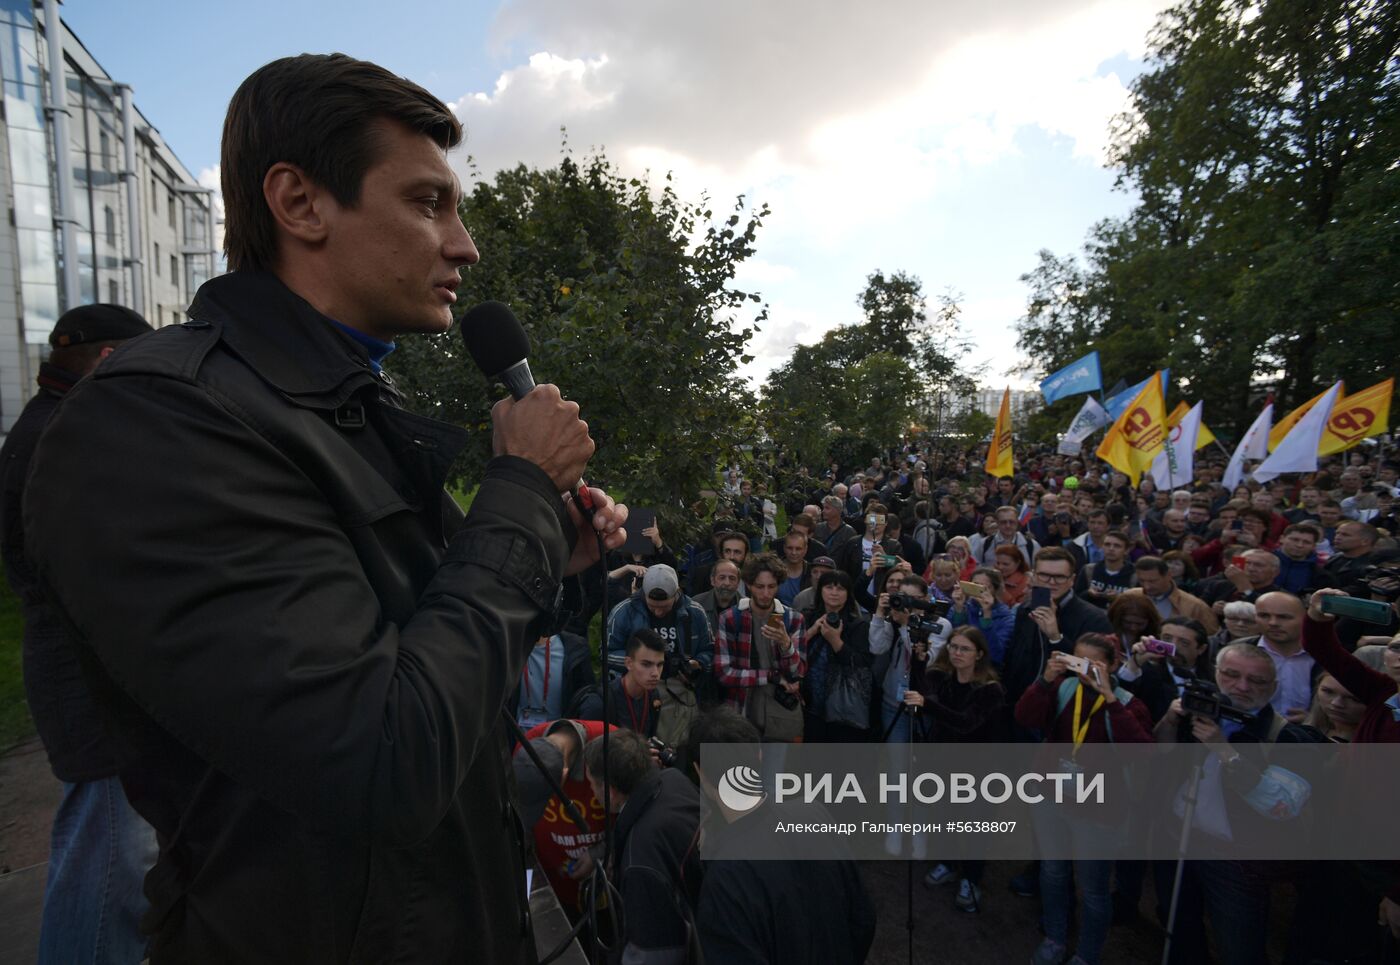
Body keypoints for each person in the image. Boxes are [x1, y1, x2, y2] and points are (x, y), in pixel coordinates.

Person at [22, 54, 627, 963]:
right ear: (299, 203)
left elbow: (420, 645)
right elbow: (383, 755)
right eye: (428, 204)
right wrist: (520, 494)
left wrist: (545, 545)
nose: (464, 245)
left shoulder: (341, 404)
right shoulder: (158, 421)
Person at [0, 303, 156, 964]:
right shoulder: (60, 435)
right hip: (88, 682)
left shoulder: (45, 426)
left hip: (83, 673)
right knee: (108, 865)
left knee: (111, 852)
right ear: (108, 360)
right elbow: (95, 567)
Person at [1152, 643, 1324, 965]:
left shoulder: (1288, 738)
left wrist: (1223, 749)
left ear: (1274, 687)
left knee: (1238, 945)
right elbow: (1160, 755)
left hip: (1234, 860)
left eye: (1256, 681)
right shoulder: (1197, 713)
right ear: (1216, 675)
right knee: (1178, 929)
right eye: (1231, 675)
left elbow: (1280, 805)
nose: (1242, 687)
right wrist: (1171, 720)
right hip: (1177, 841)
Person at [687, 709, 876, 964]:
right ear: (760, 756)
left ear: (700, 772)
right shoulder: (814, 813)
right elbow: (863, 916)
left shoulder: (724, 876)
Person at [1017, 633, 1154, 965]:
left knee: (1093, 889)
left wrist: (1108, 697)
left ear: (1114, 665)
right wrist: (1045, 681)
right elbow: (1025, 717)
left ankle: (1087, 954)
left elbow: (1139, 751)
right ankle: (1055, 937)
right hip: (1052, 797)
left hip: (1097, 809)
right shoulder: (1065, 689)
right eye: (1077, 661)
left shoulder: (1128, 703)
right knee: (1053, 873)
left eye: (1094, 664)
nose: (1084, 671)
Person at [905, 625, 1006, 912]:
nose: (957, 653)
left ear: (980, 654)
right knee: (945, 816)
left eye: (964, 649)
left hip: (979, 771)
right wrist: (919, 662)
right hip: (941, 765)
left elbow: (965, 722)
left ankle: (971, 880)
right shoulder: (942, 676)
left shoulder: (990, 690)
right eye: (953, 647)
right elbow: (922, 692)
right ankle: (948, 863)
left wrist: (928, 704)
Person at [583, 730, 701, 965]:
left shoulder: (640, 860)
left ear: (610, 791)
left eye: (592, 784)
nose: (591, 793)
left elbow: (653, 954)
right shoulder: (673, 779)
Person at [511, 717, 611, 917]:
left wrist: (599, 852)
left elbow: (633, 814)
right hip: (555, 888)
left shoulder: (608, 742)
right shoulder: (525, 746)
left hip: (604, 888)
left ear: (564, 773)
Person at [1002, 547, 1114, 718]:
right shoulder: (1025, 608)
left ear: (1072, 580)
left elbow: (1091, 671)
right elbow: (1015, 656)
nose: (1051, 582)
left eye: (1060, 577)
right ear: (1033, 577)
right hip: (1021, 703)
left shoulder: (1094, 618)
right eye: (1044, 575)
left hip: (1064, 710)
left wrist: (1056, 637)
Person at [714, 553, 806, 741]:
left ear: (778, 585)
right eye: (759, 586)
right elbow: (724, 673)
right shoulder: (731, 618)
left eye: (771, 587)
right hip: (741, 709)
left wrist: (786, 644)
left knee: (773, 769)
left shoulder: (793, 619)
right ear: (748, 585)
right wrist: (769, 676)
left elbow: (798, 673)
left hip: (779, 712)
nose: (765, 593)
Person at [605, 563, 714, 682]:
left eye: (665, 607)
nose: (658, 612)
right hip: (637, 685)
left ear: (677, 593)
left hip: (682, 688)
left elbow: (709, 650)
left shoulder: (695, 612)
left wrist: (697, 664)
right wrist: (641, 662)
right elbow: (606, 654)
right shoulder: (625, 611)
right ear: (644, 593)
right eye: (652, 606)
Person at [801, 570, 874, 741]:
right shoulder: (807, 616)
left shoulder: (859, 624)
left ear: (848, 594)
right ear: (820, 590)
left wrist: (835, 641)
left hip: (841, 705)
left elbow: (862, 664)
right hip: (809, 701)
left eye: (840, 589)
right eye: (829, 587)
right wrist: (811, 631)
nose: (834, 593)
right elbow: (789, 649)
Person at [511, 631, 595, 730]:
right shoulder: (507, 646)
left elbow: (587, 699)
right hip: (514, 739)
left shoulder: (575, 648)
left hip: (559, 738)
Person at [1124, 556, 1219, 634]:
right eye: (1141, 581)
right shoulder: (1129, 597)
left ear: (1168, 575)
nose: (1147, 586)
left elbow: (1212, 638)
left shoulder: (1195, 606)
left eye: (1152, 581)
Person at [946, 566, 1015, 666]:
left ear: (995, 590)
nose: (978, 591)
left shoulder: (1006, 617)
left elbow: (996, 654)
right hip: (957, 662)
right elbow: (950, 639)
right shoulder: (962, 607)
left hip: (988, 667)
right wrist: (959, 608)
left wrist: (986, 614)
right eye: (974, 585)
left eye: (983, 588)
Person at [1076, 529, 1136, 607]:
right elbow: (1076, 597)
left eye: (1117, 546)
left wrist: (1120, 598)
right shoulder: (1089, 570)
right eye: (1107, 545)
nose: (1111, 549)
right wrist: (1088, 593)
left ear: (1126, 551)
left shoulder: (1135, 574)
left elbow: (1140, 604)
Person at [692, 558, 743, 634]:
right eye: (722, 578)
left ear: (738, 583)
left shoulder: (747, 607)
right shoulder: (696, 604)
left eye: (732, 578)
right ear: (712, 580)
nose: (727, 583)